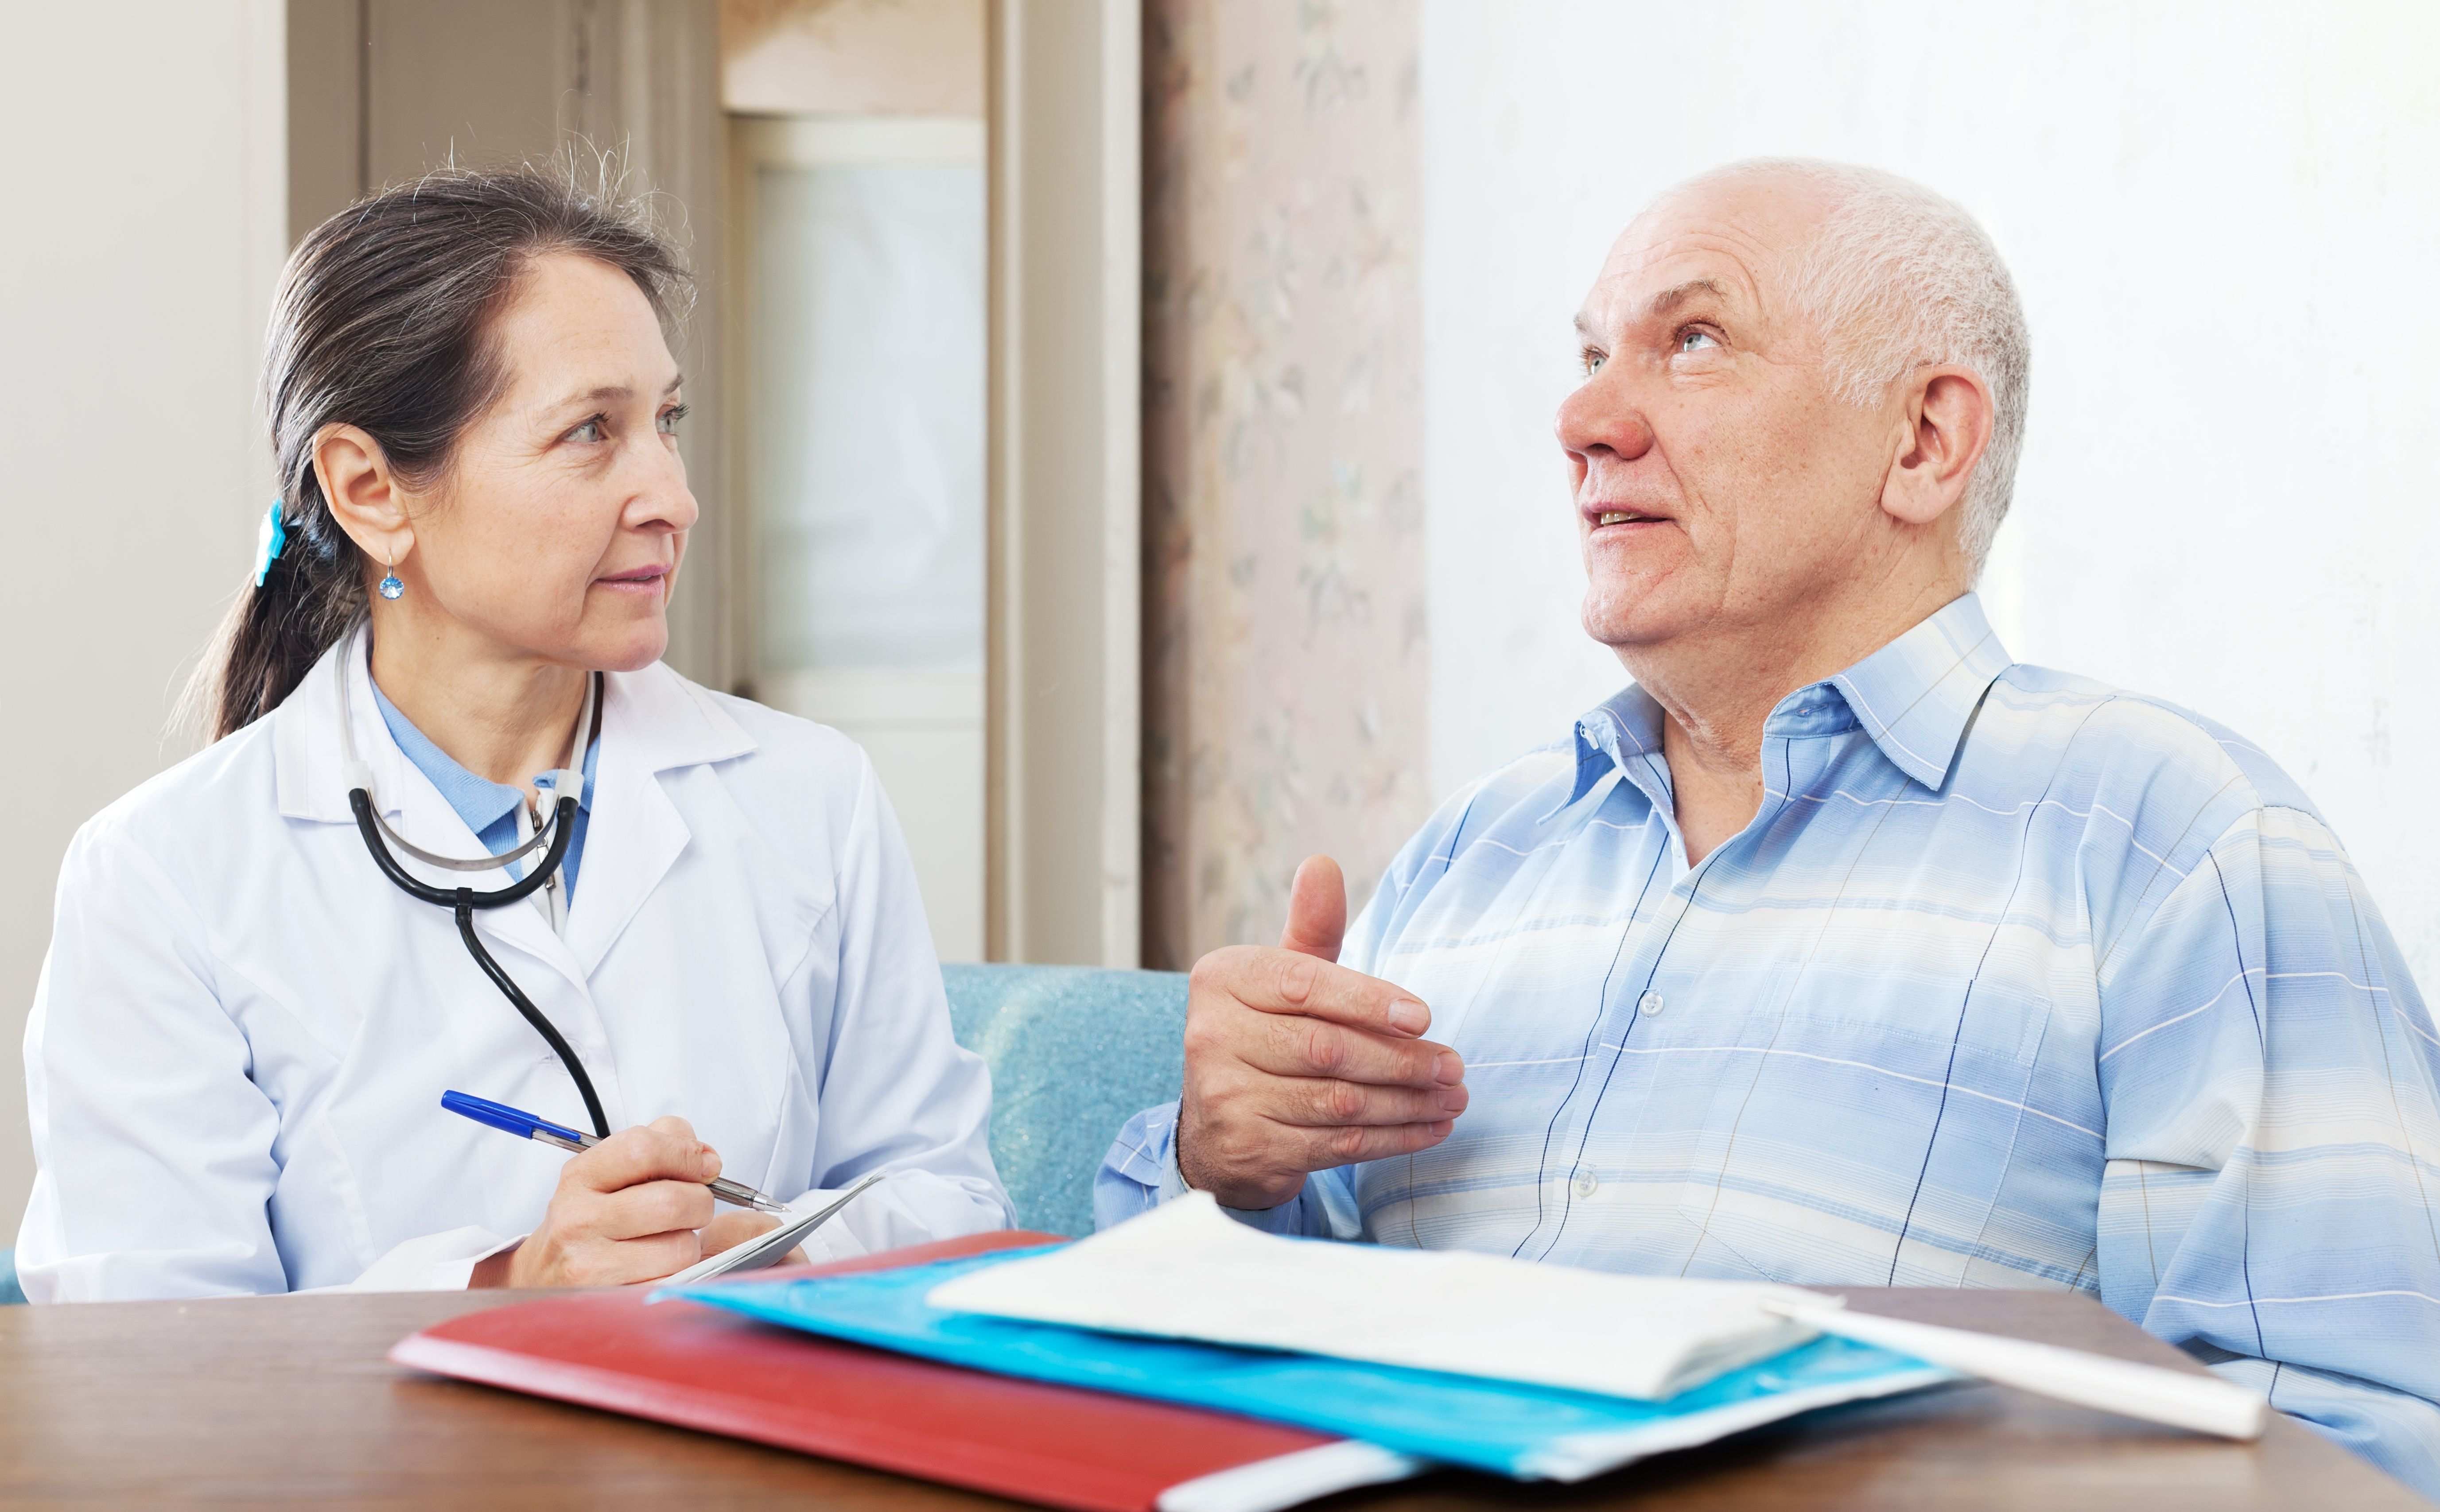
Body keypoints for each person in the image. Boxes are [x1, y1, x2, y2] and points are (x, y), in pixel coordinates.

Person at [1098, 159, 2440, 1493]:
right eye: (1587, 355)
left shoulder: (2176, 843)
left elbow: (2354, 1445)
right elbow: (1173, 1358)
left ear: (1921, 441)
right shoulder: (1473, 853)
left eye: (1691, 341)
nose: (1580, 417)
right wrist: (1221, 1165)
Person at [17, 165, 1008, 1299]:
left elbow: (953, 1204)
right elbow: (148, 1375)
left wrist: (758, 1249)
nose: (672, 496)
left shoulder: (809, 793)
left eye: (666, 422)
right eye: (592, 431)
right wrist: (503, 1289)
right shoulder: (162, 879)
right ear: (372, 490)